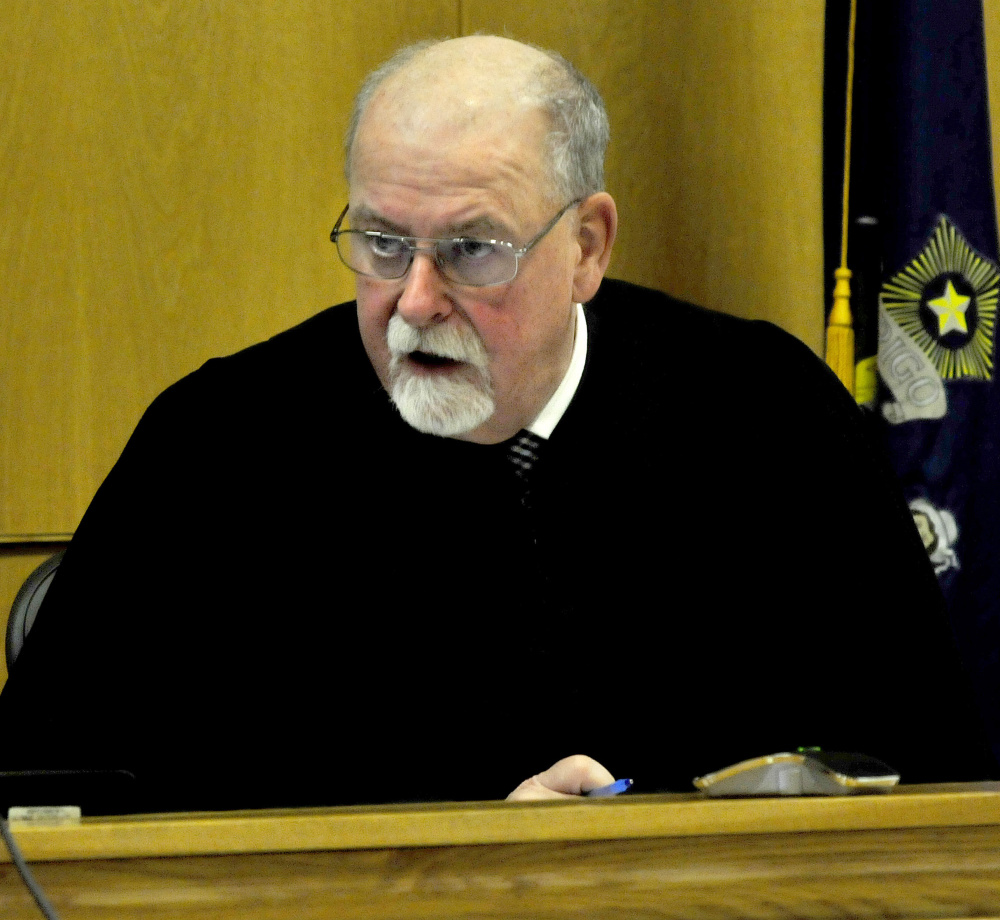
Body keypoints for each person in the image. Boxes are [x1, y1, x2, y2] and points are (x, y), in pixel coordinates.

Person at [0, 36, 993, 814]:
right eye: (381, 243)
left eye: (471, 250)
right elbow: (56, 810)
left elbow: (927, 781)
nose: (414, 301)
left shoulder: (767, 419)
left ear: (586, 243)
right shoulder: (217, 448)